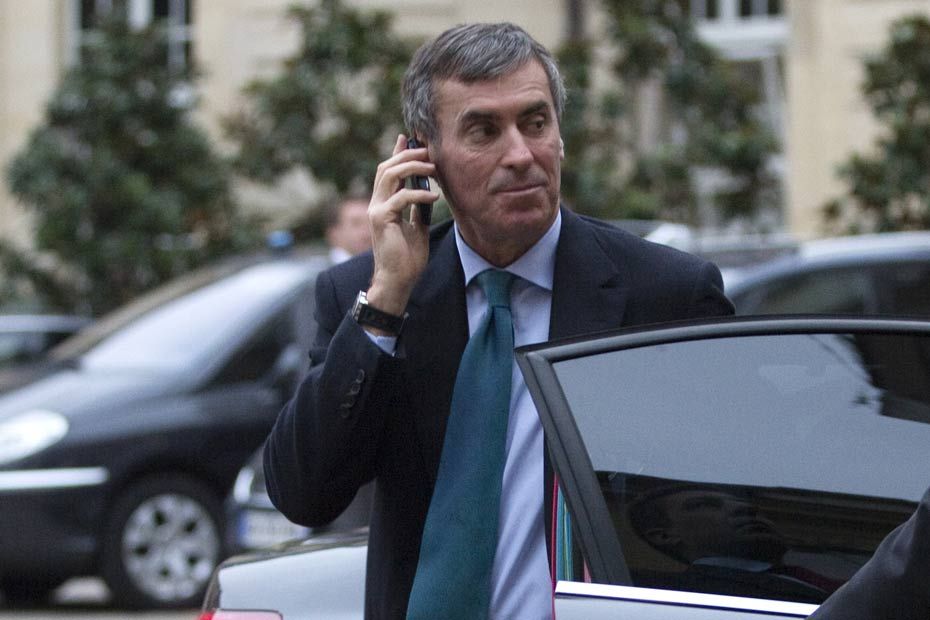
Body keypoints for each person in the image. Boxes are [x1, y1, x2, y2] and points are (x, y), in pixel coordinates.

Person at [263, 22, 733, 619]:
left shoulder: (666, 295)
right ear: (422, 160)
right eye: (484, 131)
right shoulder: (371, 297)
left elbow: (727, 510)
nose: (520, 155)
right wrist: (386, 300)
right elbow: (303, 494)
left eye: (535, 123)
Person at [628, 485, 839, 603]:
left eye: (744, 503)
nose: (746, 509)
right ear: (664, 535)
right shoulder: (670, 595)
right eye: (705, 505)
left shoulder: (821, 578)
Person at [325, 196, 373, 264]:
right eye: (356, 224)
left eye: (370, 223)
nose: (367, 233)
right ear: (334, 233)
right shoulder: (317, 268)